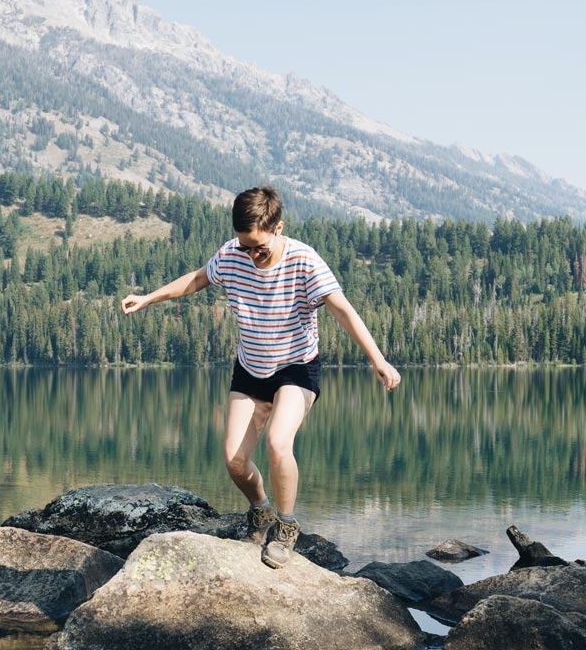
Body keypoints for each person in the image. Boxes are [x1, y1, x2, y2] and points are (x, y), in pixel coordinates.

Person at [119, 185, 400, 567]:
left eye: (259, 248)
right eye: (245, 246)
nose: (251, 255)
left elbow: (343, 310)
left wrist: (378, 360)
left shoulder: (305, 261)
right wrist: (148, 298)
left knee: (278, 445)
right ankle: (260, 510)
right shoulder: (232, 255)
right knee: (234, 460)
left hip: (297, 367)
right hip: (251, 368)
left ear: (278, 228)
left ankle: (285, 529)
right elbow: (198, 279)